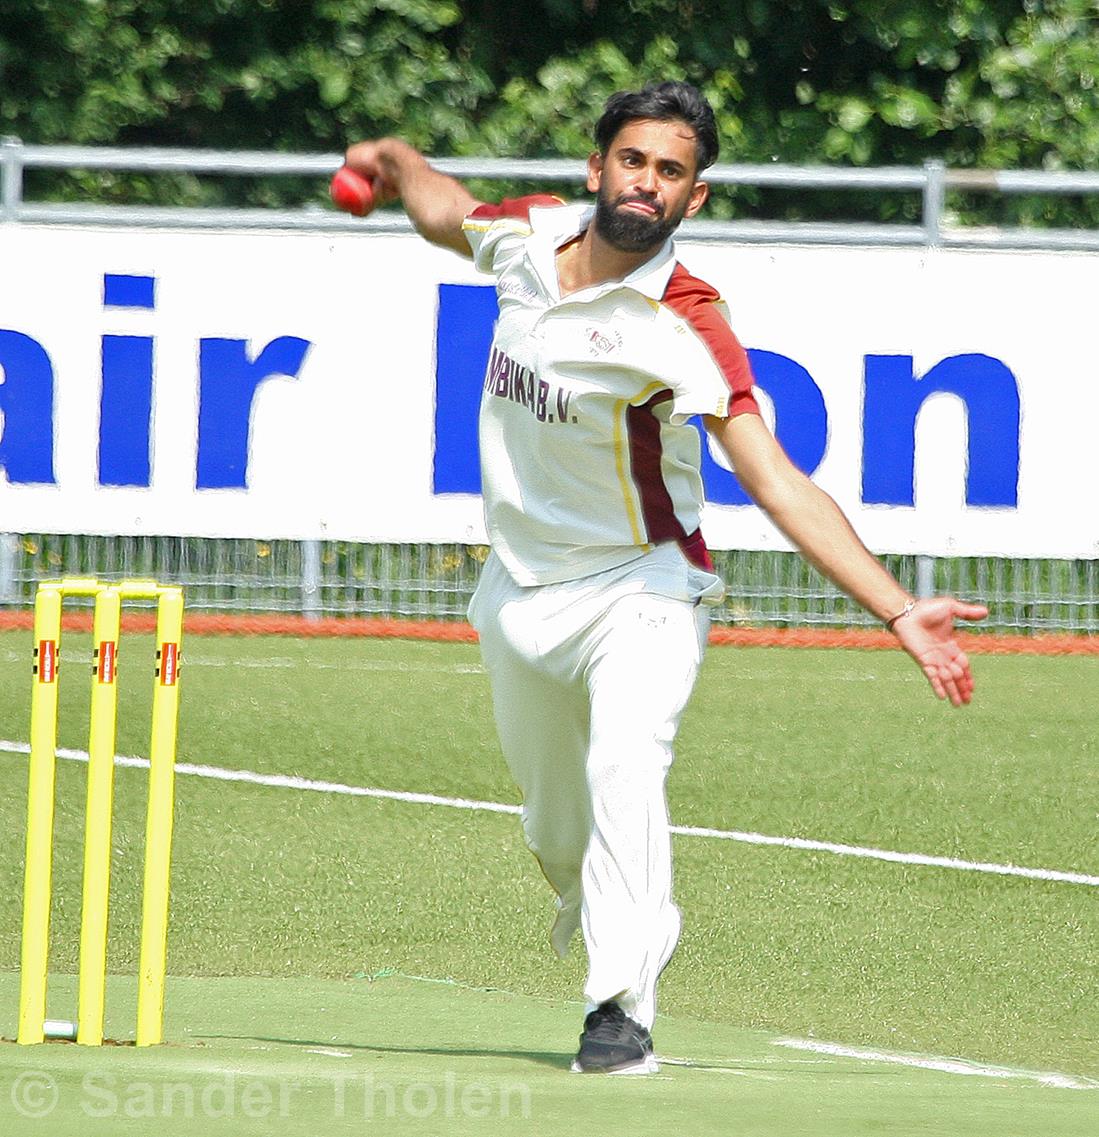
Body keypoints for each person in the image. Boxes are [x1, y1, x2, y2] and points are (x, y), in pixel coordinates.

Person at [343, 81, 987, 1076]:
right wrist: (394, 158)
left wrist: (897, 609)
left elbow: (773, 478)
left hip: (642, 587)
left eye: (671, 171)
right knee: (558, 834)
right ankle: (613, 911)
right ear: (596, 167)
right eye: (633, 160)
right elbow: (444, 210)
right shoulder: (525, 238)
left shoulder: (686, 319)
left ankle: (618, 1009)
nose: (647, 182)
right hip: (519, 591)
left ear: (694, 196)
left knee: (625, 770)